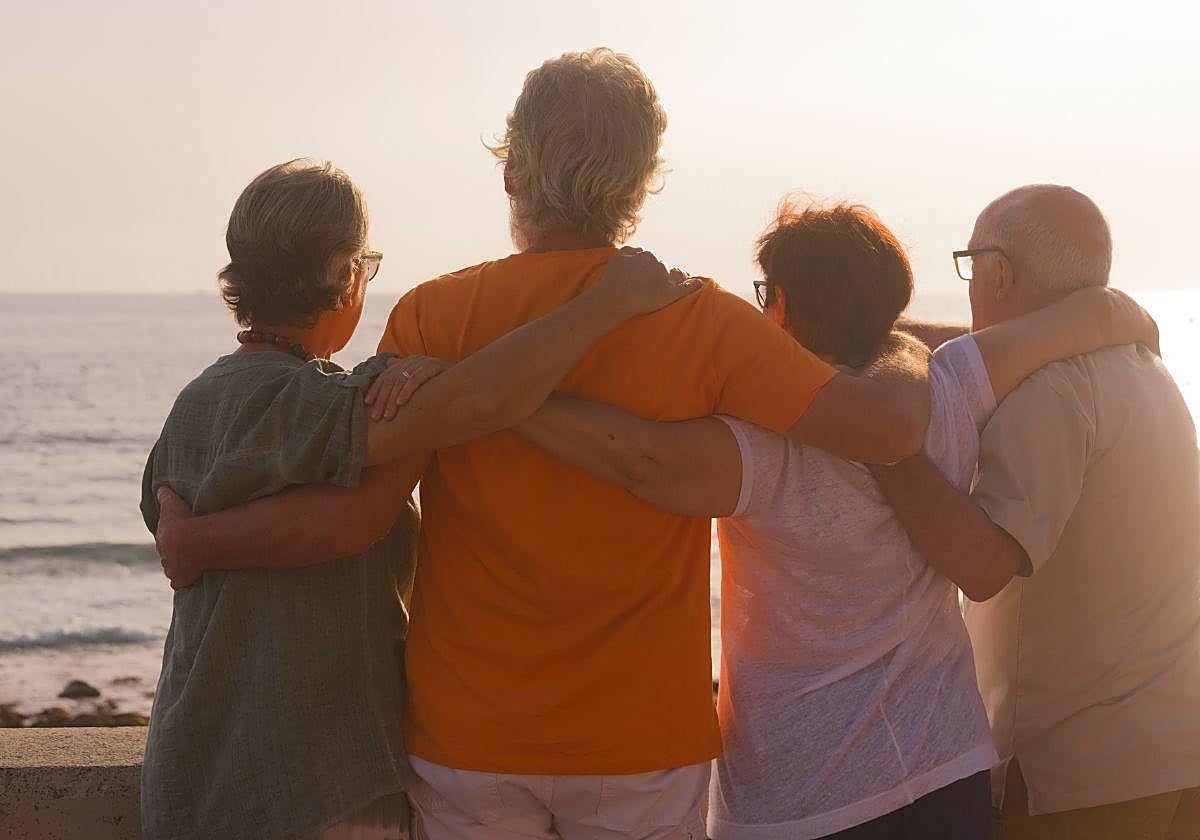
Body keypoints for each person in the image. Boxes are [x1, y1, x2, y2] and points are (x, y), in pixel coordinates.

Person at [154, 49, 937, 839]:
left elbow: (358, 515)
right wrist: (911, 347)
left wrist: (198, 538)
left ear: (512, 174)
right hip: (641, 736)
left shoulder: (433, 317)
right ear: (639, 184)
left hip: (468, 733)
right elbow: (888, 430)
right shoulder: (699, 317)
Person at [507, 201, 1158, 839]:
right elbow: (1071, 325)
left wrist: (496, 398)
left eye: (765, 293)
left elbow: (639, 458)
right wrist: (1123, 313)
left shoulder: (761, 443)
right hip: (946, 768)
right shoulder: (953, 383)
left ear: (783, 307)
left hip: (806, 794)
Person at [139, 157, 699, 840]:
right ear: (347, 275)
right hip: (318, 779)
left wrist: (193, 540)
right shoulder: (336, 402)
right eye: (365, 266)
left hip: (190, 766)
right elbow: (469, 411)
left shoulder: (189, 411)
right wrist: (607, 304)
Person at [871, 185, 1200, 840]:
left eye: (970, 263)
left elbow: (986, 564)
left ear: (999, 271)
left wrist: (887, 448)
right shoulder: (1146, 369)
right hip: (1174, 752)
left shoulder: (1050, 391)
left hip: (1076, 775)